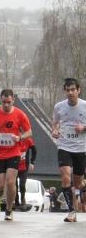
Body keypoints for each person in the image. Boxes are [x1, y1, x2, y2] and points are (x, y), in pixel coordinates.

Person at [0, 89, 31, 222]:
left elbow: (29, 132)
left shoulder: (19, 114)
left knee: (11, 182)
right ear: (0, 100)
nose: (6, 105)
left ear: (13, 100)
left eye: (9, 102)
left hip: (13, 152)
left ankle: (9, 210)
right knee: (0, 187)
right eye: (4, 102)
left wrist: (20, 138)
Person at [50, 78, 86, 223]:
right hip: (64, 146)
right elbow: (55, 122)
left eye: (73, 90)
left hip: (81, 148)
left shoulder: (84, 106)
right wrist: (54, 130)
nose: (70, 93)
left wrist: (83, 128)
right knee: (65, 177)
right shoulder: (59, 106)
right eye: (67, 90)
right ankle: (71, 211)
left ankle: (83, 187)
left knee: (78, 184)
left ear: (78, 90)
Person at [16, 136, 36, 210]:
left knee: (22, 184)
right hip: (13, 166)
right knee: (13, 184)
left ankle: (23, 200)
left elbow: (34, 150)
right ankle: (16, 202)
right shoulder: (12, 139)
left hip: (24, 166)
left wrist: (32, 162)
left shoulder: (27, 140)